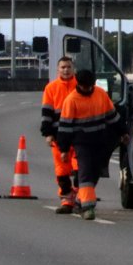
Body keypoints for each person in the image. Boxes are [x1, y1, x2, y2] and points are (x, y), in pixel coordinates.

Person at [56, 69, 129, 221]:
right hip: (82, 143)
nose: (87, 89)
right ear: (78, 84)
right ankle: (87, 207)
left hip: (99, 141)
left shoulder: (100, 94)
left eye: (89, 86)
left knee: (96, 173)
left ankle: (79, 201)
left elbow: (112, 117)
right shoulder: (71, 100)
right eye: (84, 86)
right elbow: (65, 128)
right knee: (85, 172)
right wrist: (64, 149)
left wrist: (123, 132)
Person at [40, 55, 79, 213]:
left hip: (78, 134)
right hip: (58, 135)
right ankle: (67, 200)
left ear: (73, 69)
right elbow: (46, 113)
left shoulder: (80, 85)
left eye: (68, 67)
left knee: (79, 168)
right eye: (63, 67)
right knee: (62, 171)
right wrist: (47, 134)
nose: (66, 70)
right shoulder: (51, 88)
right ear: (58, 70)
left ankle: (79, 197)